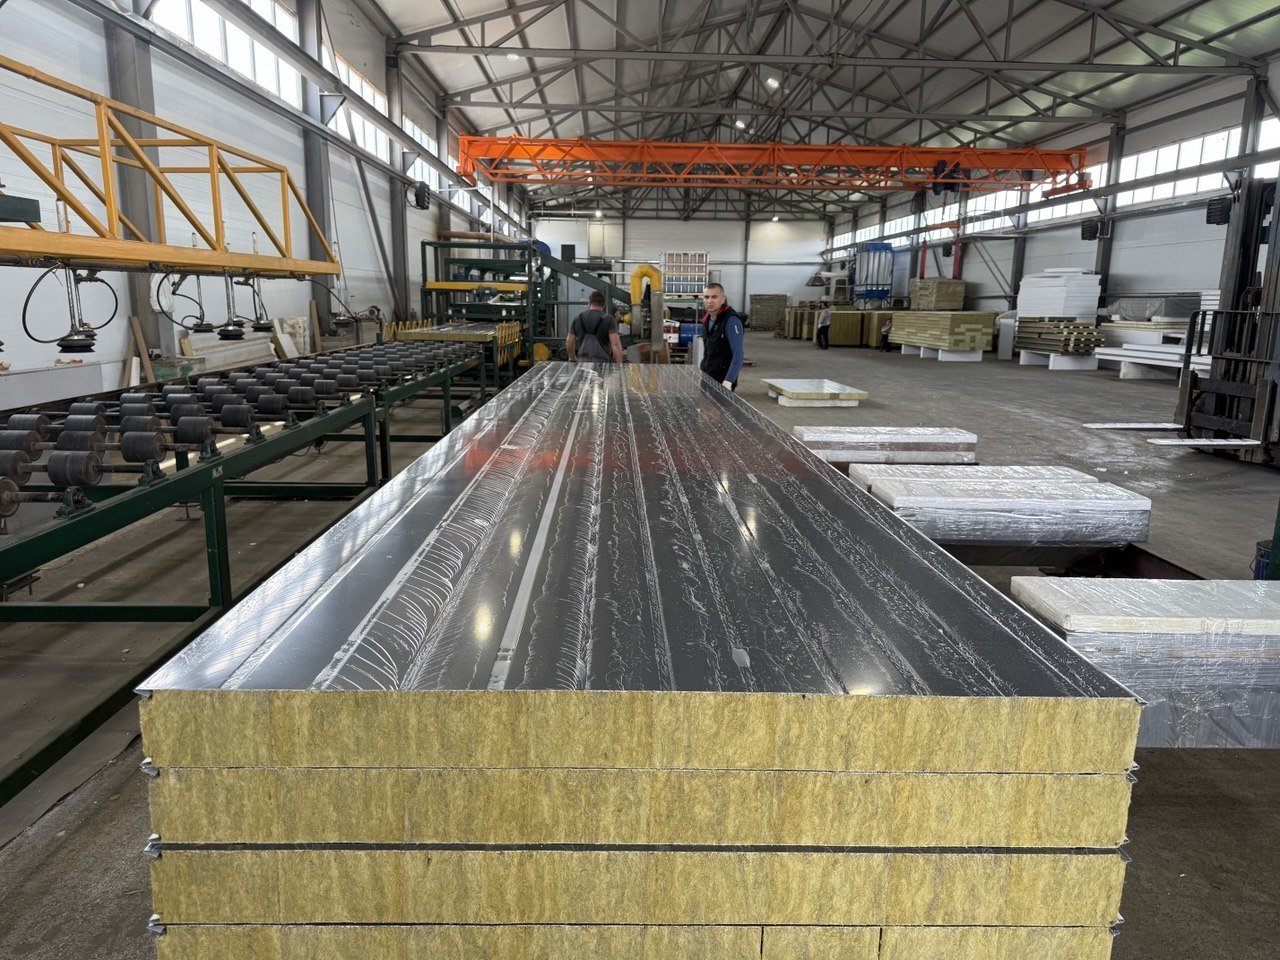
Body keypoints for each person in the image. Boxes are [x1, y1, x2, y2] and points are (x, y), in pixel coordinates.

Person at [699, 282, 745, 391]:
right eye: (706, 297)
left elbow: (738, 355)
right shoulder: (707, 320)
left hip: (723, 379)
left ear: (723, 299)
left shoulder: (731, 321)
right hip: (707, 375)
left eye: (714, 297)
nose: (709, 301)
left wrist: (728, 381)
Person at [567, 291, 623, 363]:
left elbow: (569, 342)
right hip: (603, 363)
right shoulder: (609, 319)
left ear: (589, 303)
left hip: (582, 362)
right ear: (603, 305)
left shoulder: (578, 318)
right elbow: (615, 344)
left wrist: (572, 358)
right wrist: (619, 365)